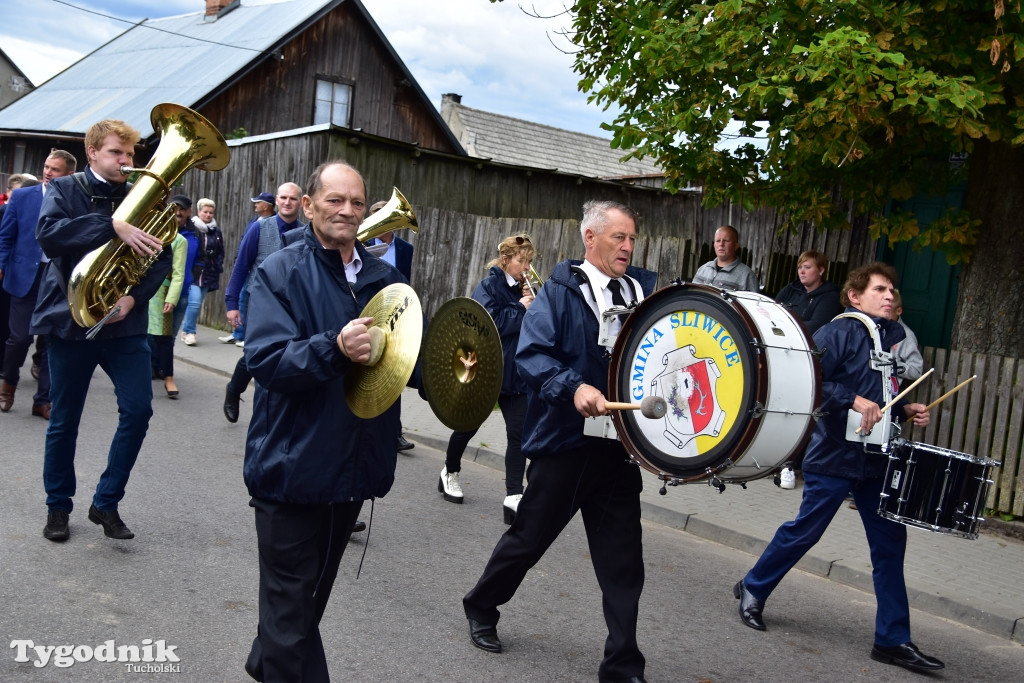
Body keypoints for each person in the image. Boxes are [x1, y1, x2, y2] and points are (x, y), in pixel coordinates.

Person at [463, 200, 657, 683]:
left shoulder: (643, 296)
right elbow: (532, 355)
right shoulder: (558, 293)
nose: (628, 247)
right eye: (619, 237)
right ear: (590, 238)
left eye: (632, 239)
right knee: (528, 540)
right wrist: (575, 388)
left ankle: (623, 664)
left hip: (618, 451)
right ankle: (481, 604)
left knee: (624, 563)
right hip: (564, 447)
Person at [242, 160, 412, 681]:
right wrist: (334, 348)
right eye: (335, 200)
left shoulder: (386, 278)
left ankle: (264, 661)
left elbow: (402, 362)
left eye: (357, 202)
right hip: (291, 467)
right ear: (311, 206)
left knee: (306, 600)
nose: (347, 210)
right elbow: (266, 360)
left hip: (351, 470)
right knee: (292, 609)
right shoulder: (280, 270)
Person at [733, 262, 943, 675]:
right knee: (805, 531)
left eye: (891, 290)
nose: (888, 296)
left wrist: (905, 409)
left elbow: (880, 398)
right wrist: (851, 400)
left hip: (875, 460)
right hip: (832, 456)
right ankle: (754, 587)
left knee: (889, 546)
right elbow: (809, 384)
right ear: (854, 296)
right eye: (879, 289)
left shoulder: (893, 337)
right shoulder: (839, 331)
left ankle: (892, 639)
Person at [33, 118, 171, 543]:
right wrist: (110, 225)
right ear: (92, 152)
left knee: (139, 410)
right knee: (64, 420)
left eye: (130, 154)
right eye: (116, 153)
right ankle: (58, 507)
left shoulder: (140, 195)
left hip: (124, 325)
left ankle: (106, 503)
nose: (126, 162)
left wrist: (134, 298)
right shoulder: (64, 188)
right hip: (71, 323)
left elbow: (160, 258)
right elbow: (50, 237)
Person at [439, 233, 535, 524]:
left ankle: (513, 496)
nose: (528, 268)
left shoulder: (527, 288)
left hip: (517, 373)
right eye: (522, 261)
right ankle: (449, 471)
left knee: (518, 435)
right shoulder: (489, 285)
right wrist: (521, 308)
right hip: (488, 370)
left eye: (530, 262)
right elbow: (486, 323)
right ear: (506, 260)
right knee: (468, 425)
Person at [0, 150, 76, 418]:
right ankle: (8, 384)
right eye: (46, 167)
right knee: (19, 338)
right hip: (23, 277)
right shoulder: (22, 197)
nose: (47, 172)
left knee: (51, 341)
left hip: (57, 278)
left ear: (68, 174)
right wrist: (1, 264)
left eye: (54, 169)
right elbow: (6, 235)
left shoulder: (75, 198)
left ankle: (42, 400)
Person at [222, 182, 304, 423]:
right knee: (255, 352)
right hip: (257, 300)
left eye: (293, 198)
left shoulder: (305, 232)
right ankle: (234, 390)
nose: (287, 202)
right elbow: (241, 266)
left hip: (290, 304)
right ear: (276, 201)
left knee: (283, 355)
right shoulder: (259, 228)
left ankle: (271, 411)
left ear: (301, 202)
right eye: (283, 198)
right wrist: (231, 303)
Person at [368, 199, 416, 452]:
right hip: (368, 313)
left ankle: (394, 432)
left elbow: (405, 282)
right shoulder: (362, 244)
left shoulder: (405, 248)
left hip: (394, 316)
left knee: (395, 372)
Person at [148, 195, 197, 399]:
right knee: (144, 337)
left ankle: (169, 377)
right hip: (145, 293)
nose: (175, 213)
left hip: (165, 293)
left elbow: (179, 273)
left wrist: (172, 298)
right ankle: (141, 374)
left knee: (165, 339)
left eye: (179, 210)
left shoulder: (180, 240)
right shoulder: (149, 233)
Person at [219, 192, 275, 346]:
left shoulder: (273, 224)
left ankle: (247, 336)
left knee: (251, 304)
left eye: (258, 202)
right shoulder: (254, 221)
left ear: (266, 206)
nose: (255, 205)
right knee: (241, 301)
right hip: (246, 268)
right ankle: (238, 333)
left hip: (259, 272)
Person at [180, 197, 225, 346]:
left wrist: (218, 265)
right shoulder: (192, 228)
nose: (208, 215)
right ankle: (190, 332)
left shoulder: (215, 231)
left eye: (211, 212)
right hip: (193, 270)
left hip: (209, 272)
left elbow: (220, 251)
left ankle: (186, 330)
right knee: (195, 302)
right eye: (205, 212)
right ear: (199, 212)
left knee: (196, 302)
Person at [774, 250, 842, 334]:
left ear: (821, 270)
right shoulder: (791, 288)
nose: (801, 272)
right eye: (799, 267)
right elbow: (772, 308)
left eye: (807, 267)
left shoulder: (830, 296)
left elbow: (816, 326)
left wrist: (784, 325)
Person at [691, 224, 760, 291]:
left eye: (726, 241)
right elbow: (691, 296)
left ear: (736, 246)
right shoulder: (703, 269)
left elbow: (751, 303)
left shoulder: (747, 276)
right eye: (718, 241)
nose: (721, 244)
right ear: (714, 245)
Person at [890, 289, 924, 381]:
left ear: (898, 311)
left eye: (886, 311)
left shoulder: (906, 336)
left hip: (888, 391)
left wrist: (891, 366)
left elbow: (916, 371)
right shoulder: (872, 328)